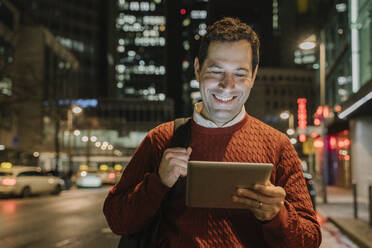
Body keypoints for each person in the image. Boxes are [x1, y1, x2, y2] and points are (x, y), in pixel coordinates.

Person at [103, 17, 321, 247]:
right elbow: (118, 220)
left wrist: (277, 215)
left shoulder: (277, 145)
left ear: (254, 75)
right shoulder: (161, 139)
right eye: (216, 71)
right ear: (198, 69)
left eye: (240, 73)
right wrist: (158, 183)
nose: (227, 85)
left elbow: (311, 240)